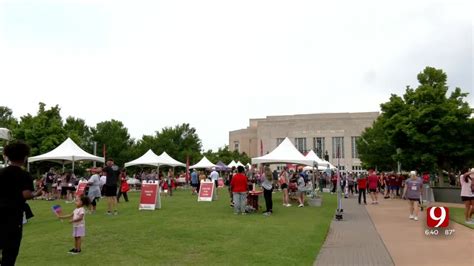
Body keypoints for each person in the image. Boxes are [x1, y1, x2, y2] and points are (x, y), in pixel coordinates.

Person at [0, 141, 43, 265]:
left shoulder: (1, 172)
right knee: (10, 252)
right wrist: (36, 193)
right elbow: (26, 194)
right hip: (13, 215)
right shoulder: (24, 175)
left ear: (7, 156)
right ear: (25, 157)